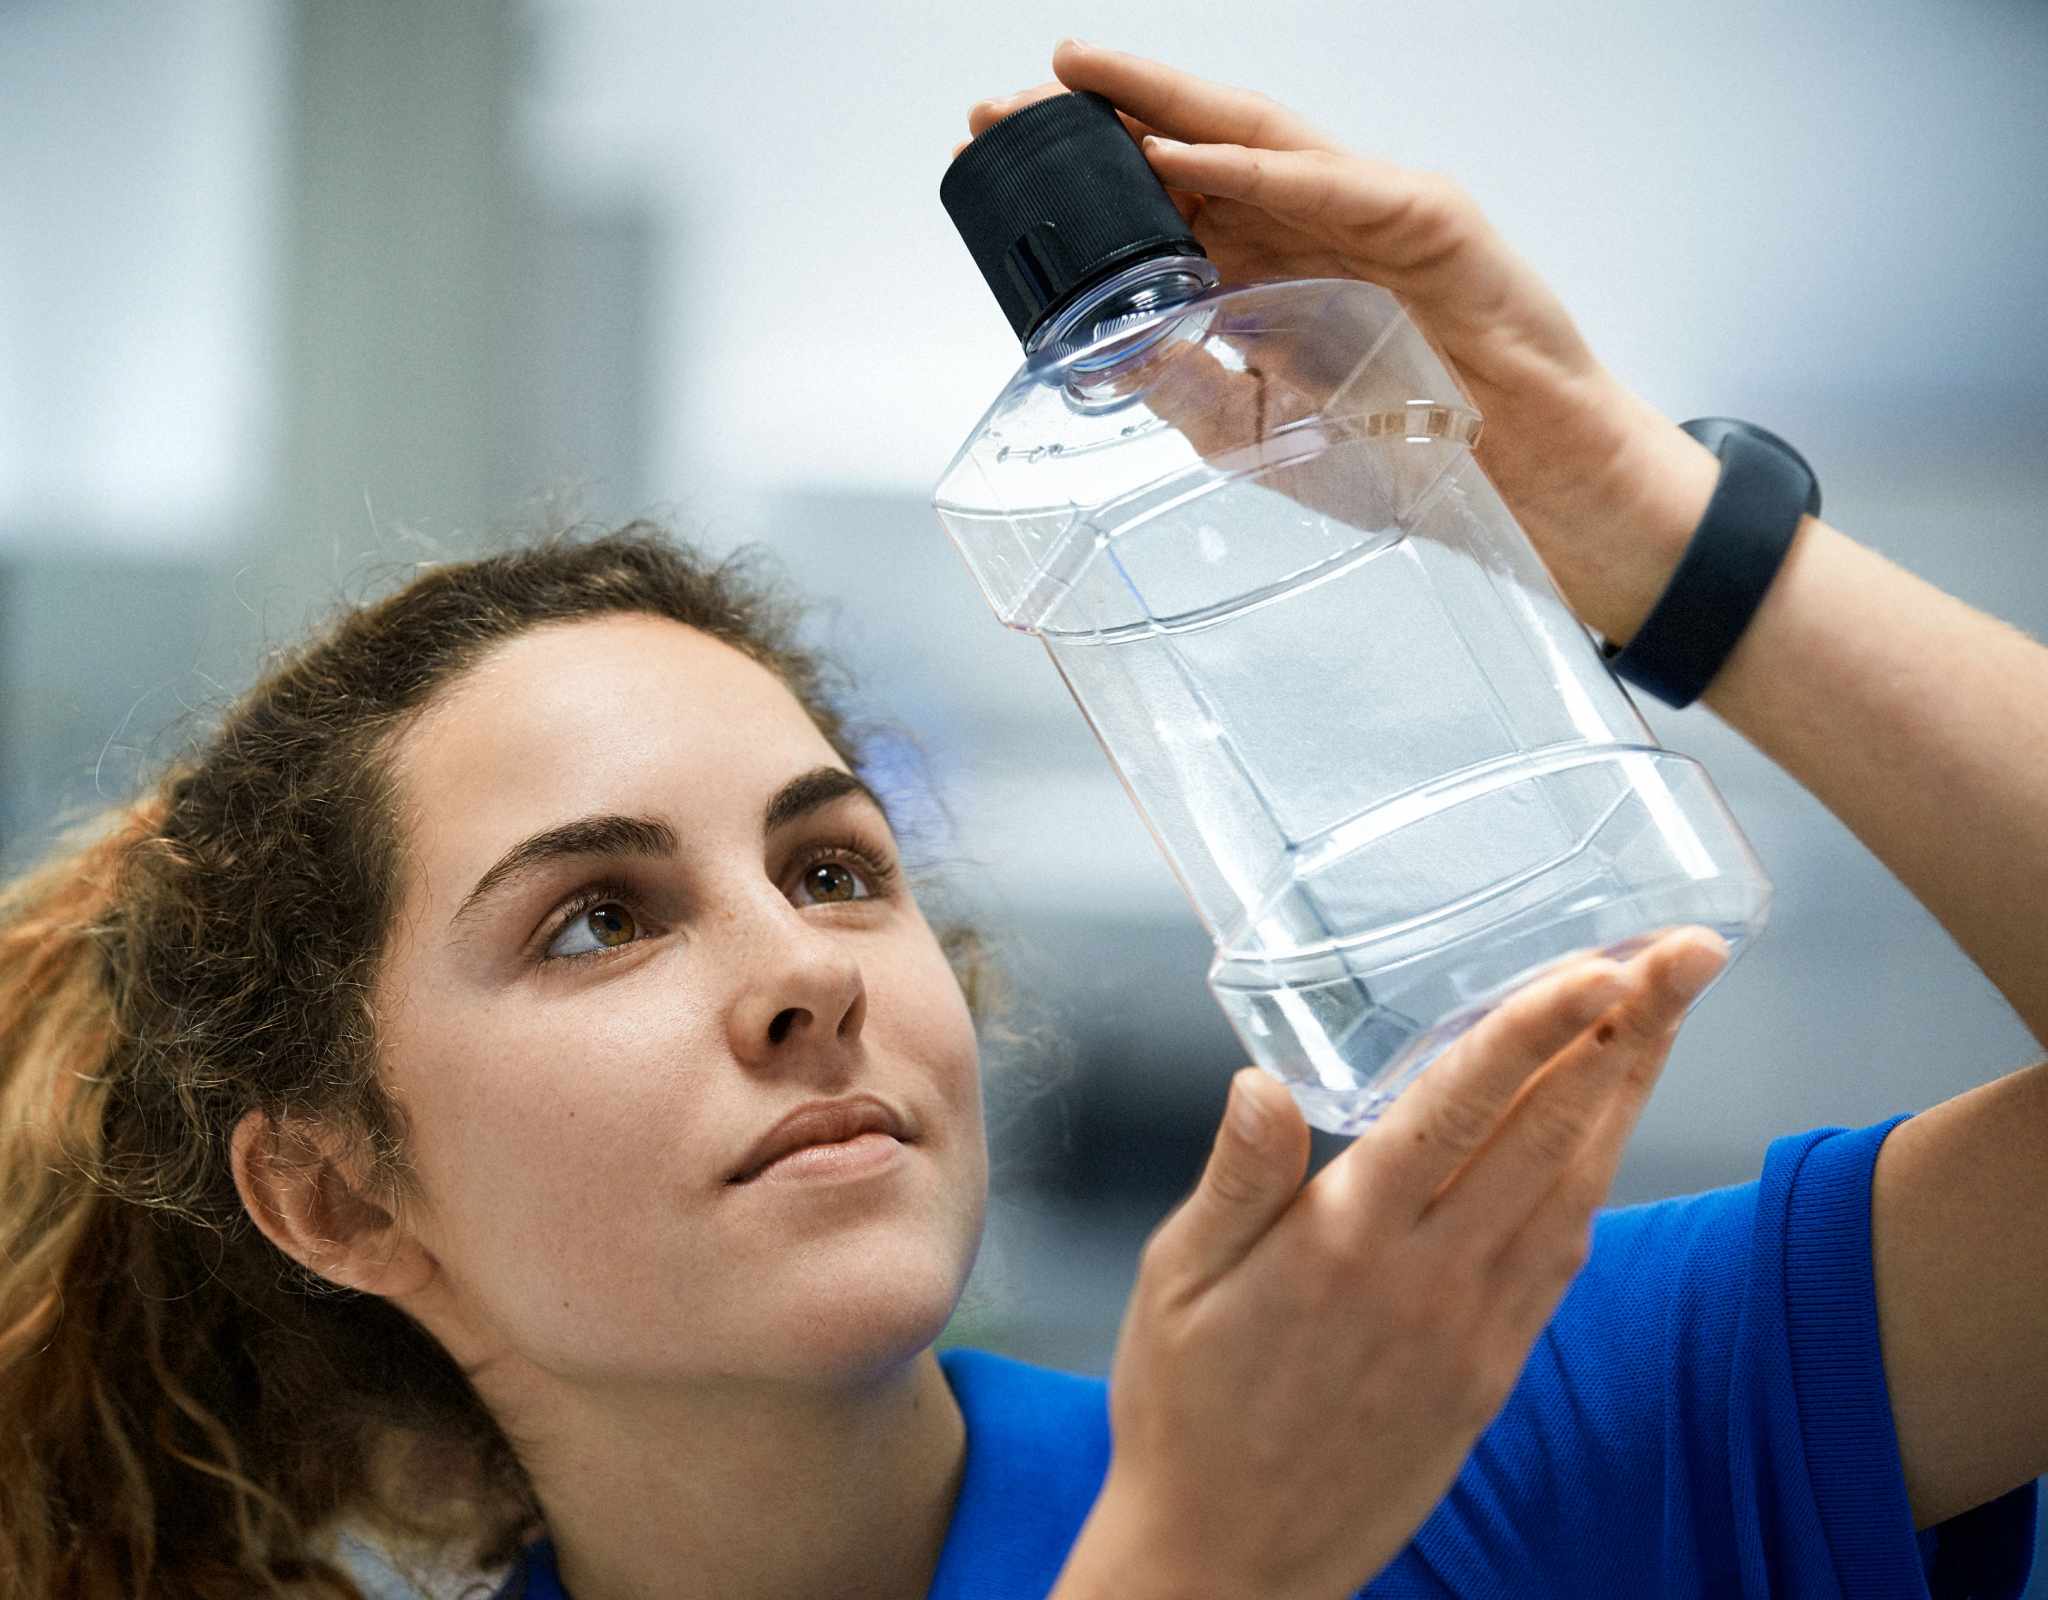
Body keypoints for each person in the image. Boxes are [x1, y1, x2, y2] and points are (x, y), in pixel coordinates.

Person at [0, 39, 2038, 1600]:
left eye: (832, 867)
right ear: (343, 1196)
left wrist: (1642, 520)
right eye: (596, 918)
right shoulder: (1278, 1489)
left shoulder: (1474, 1405)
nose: (805, 969)